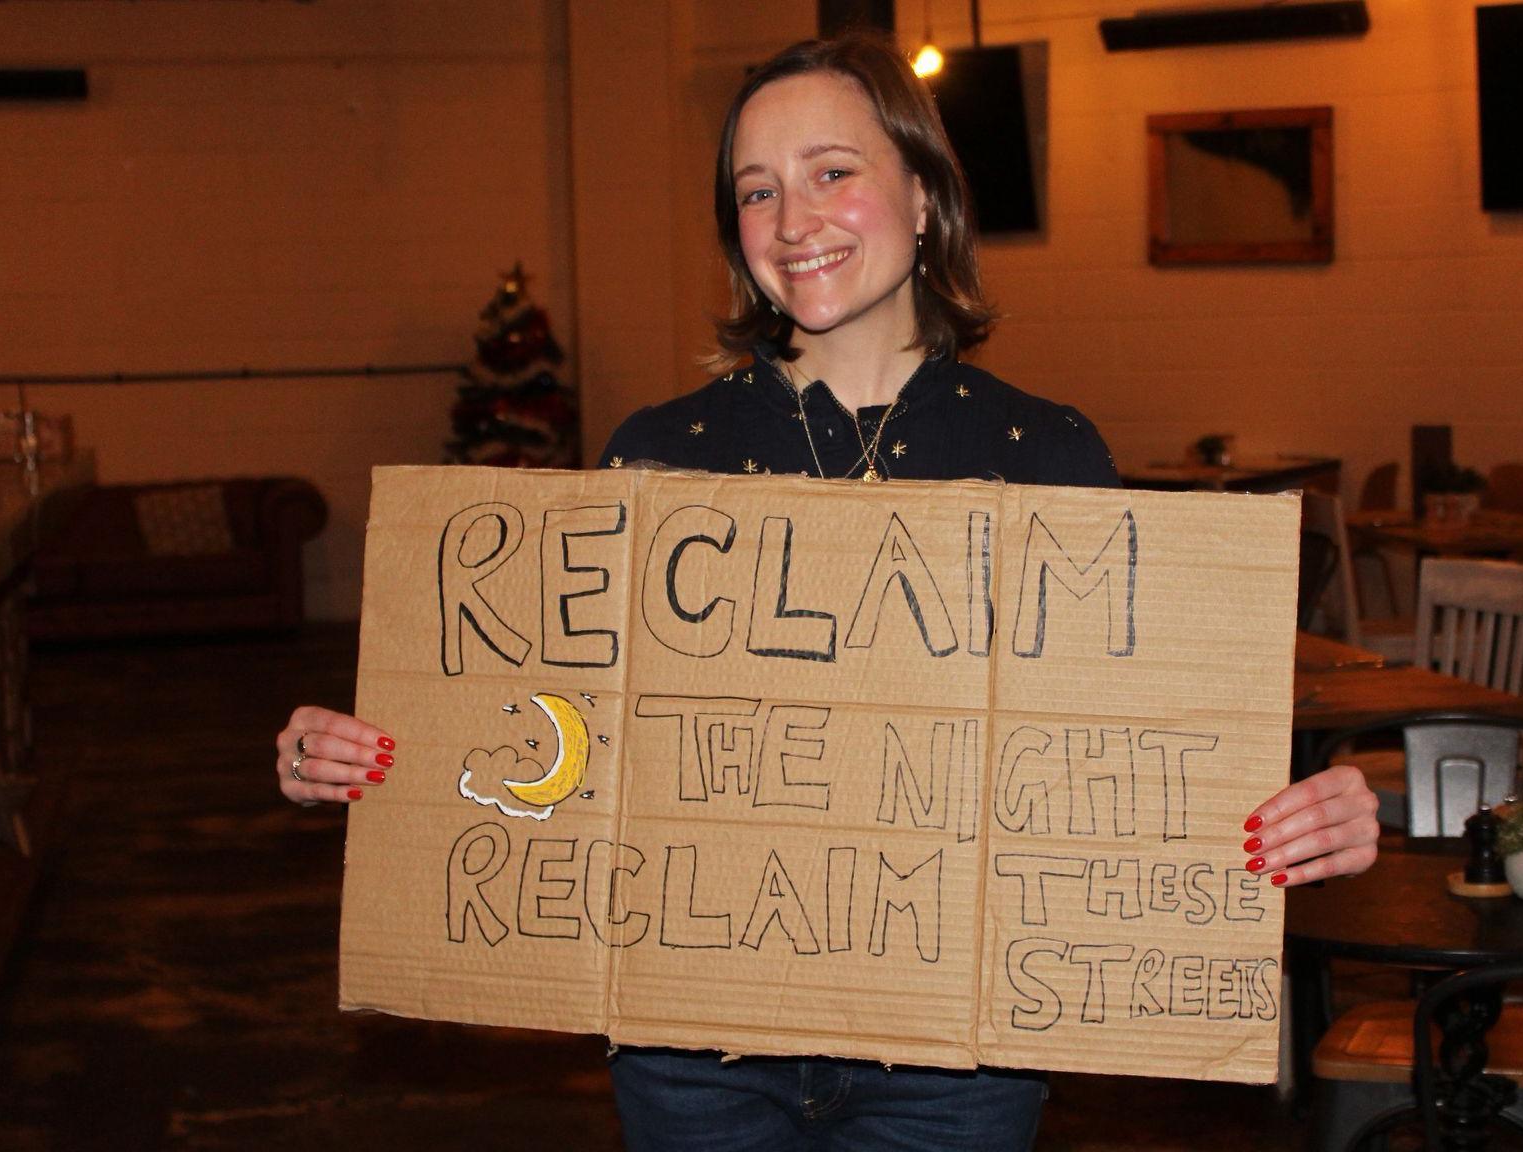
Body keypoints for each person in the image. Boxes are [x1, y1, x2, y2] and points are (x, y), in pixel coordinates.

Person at [274, 32, 1379, 1151]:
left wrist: (1295, 811)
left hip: (956, 1065)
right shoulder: (658, 458)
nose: (792, 219)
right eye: (757, 190)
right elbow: (573, 746)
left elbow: (1124, 759)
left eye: (831, 171)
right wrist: (401, 755)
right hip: (693, 1052)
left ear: (924, 196)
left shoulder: (1046, 455)